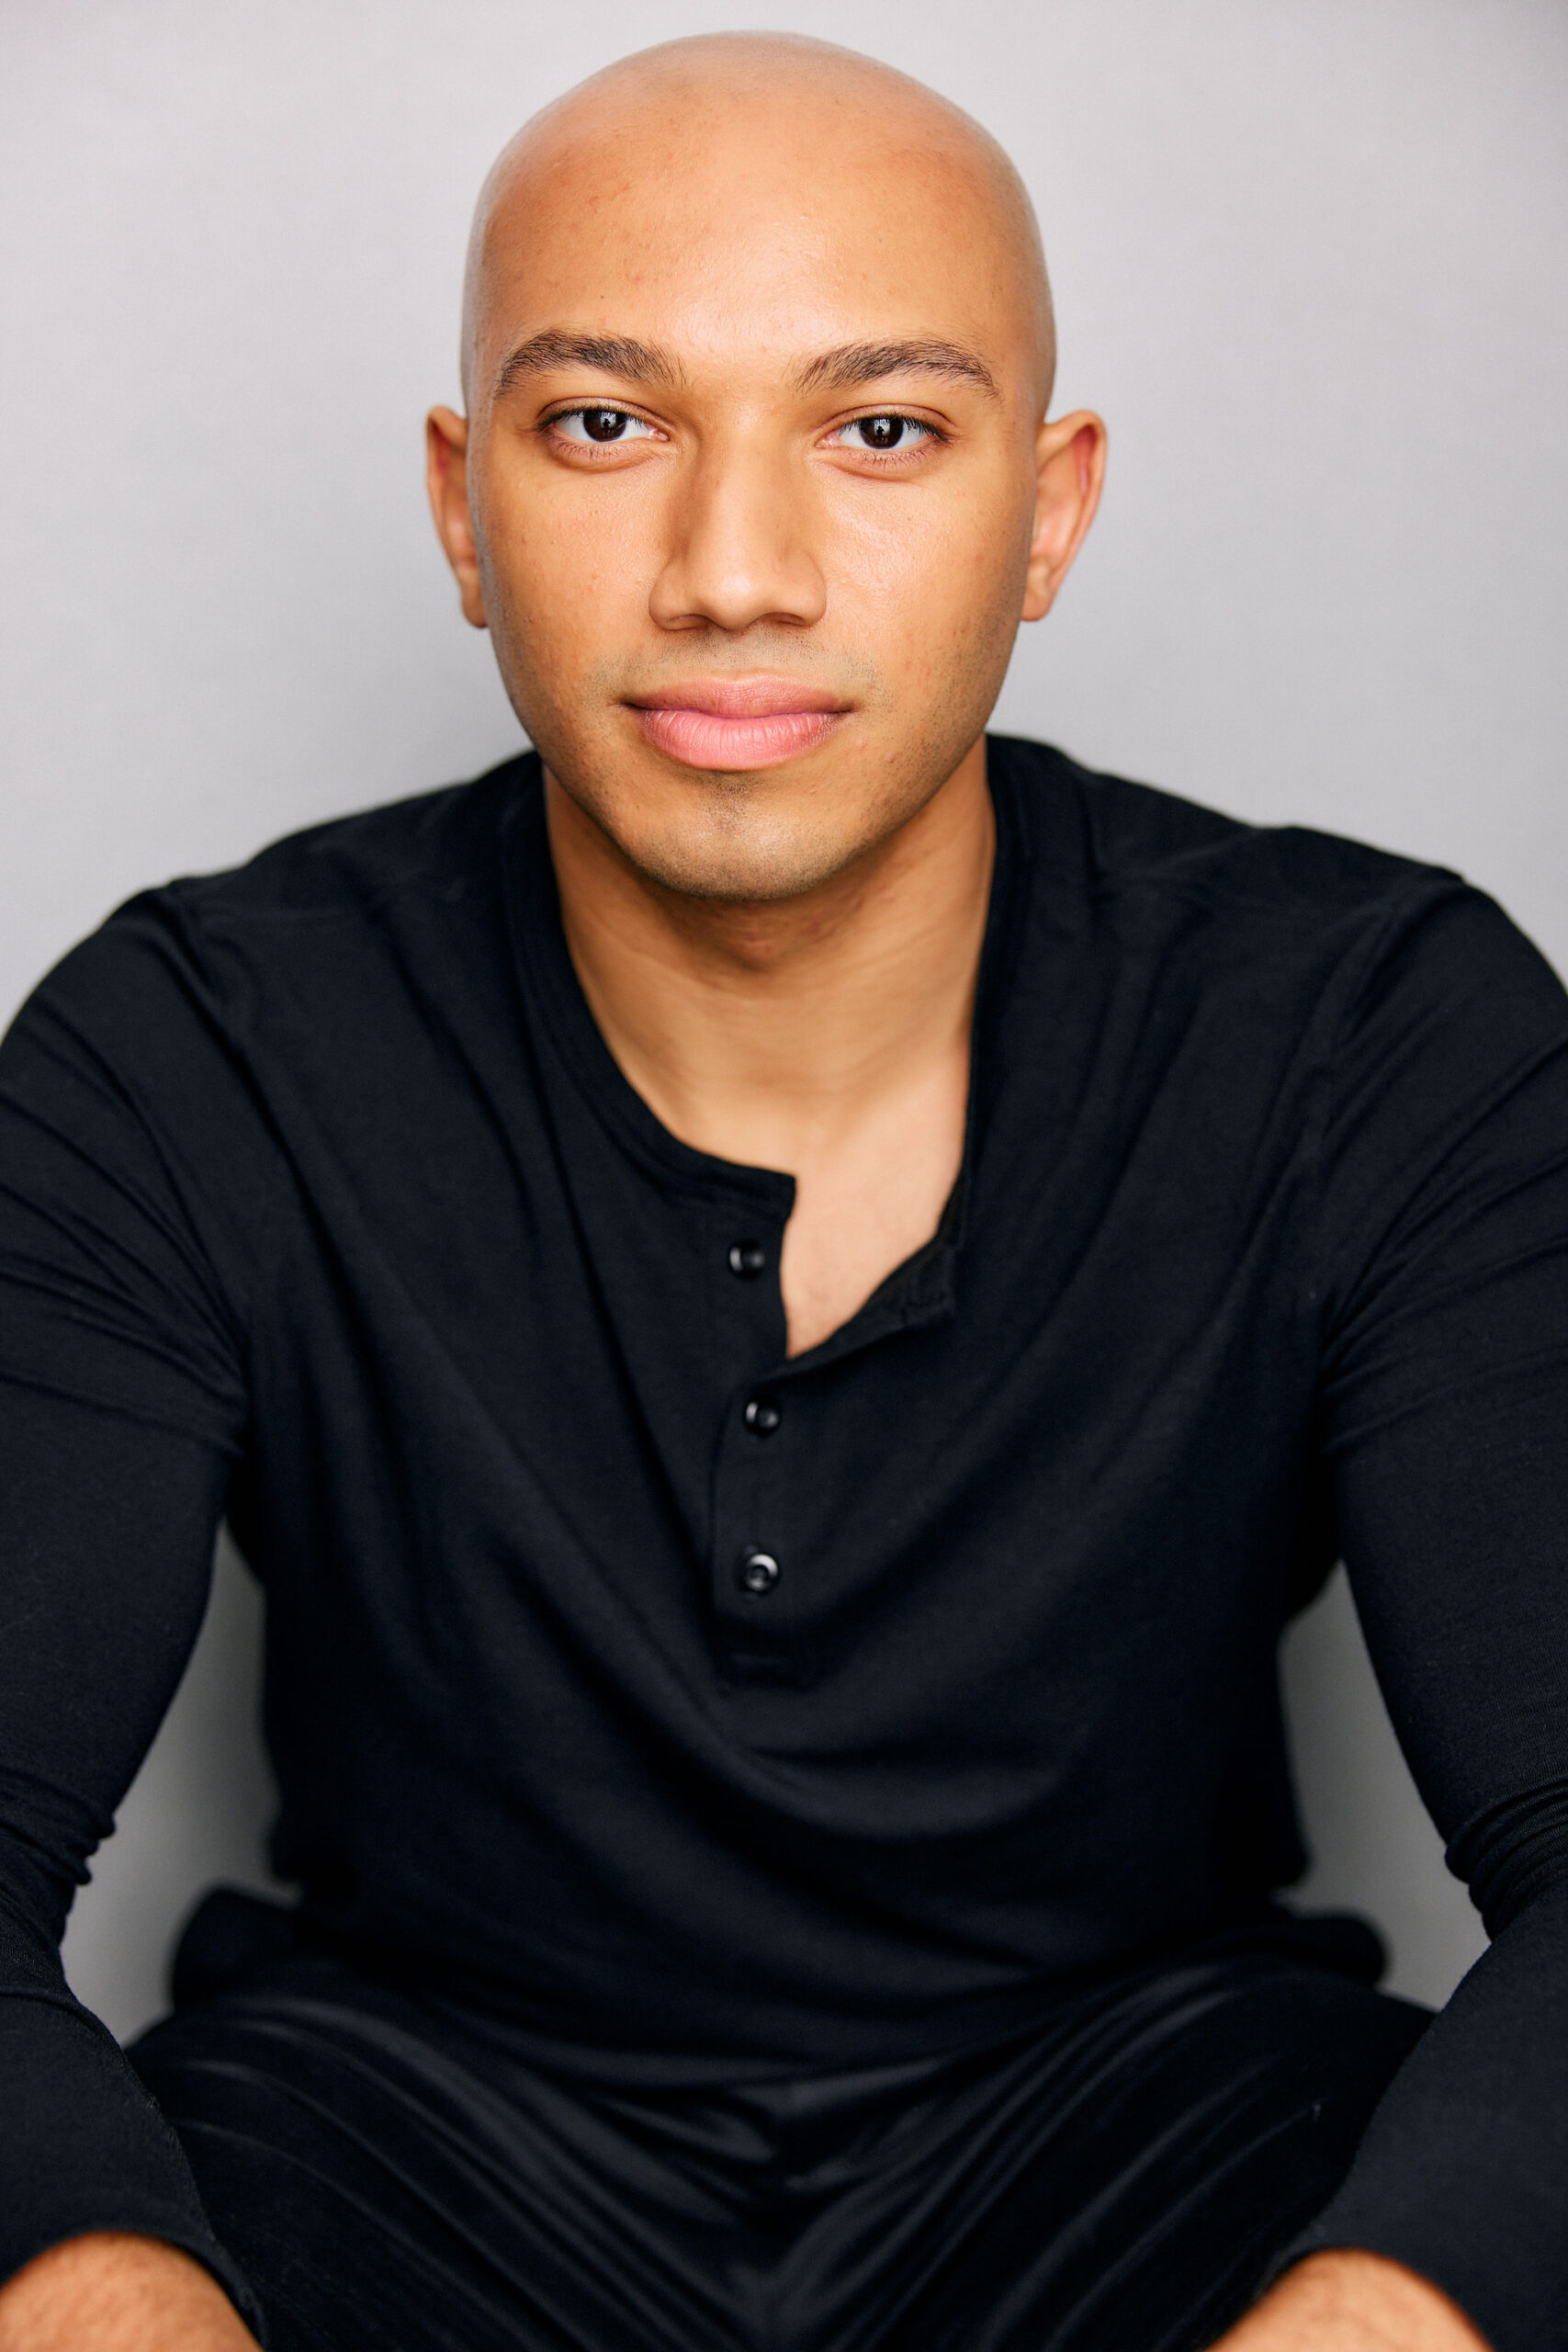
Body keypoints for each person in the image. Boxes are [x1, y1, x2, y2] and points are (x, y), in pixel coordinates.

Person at [0, 29, 1563, 2352]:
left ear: (1047, 507)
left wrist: (1372, 2327)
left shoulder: (1374, 1030)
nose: (733, 571)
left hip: (1156, 2140)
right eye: (604, 424)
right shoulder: (185, 1049)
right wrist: (107, 2298)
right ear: (462, 504)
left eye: (883, 428)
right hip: (393, 2152)